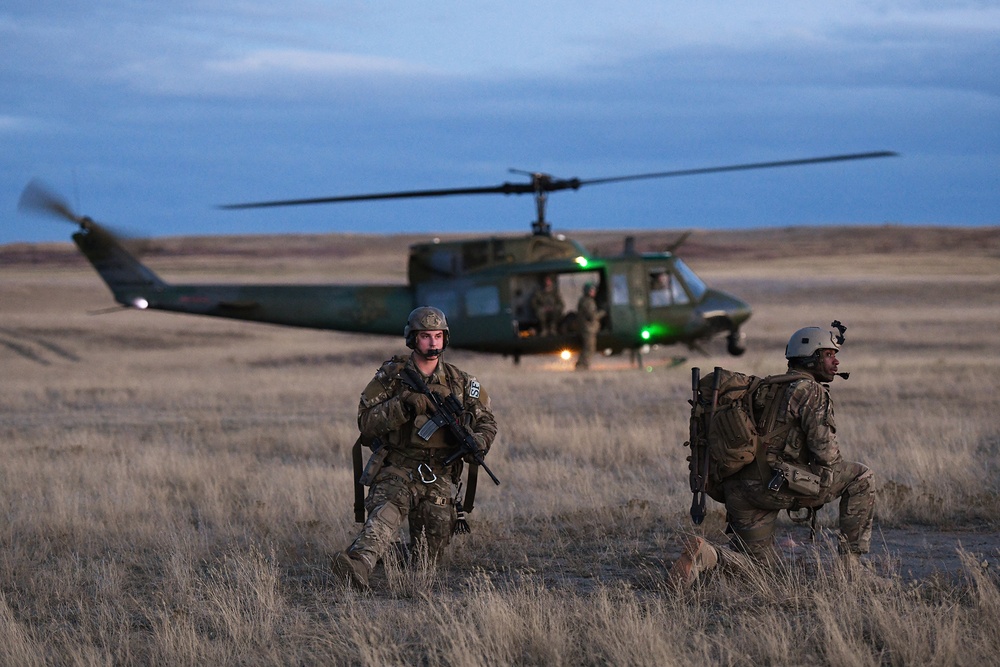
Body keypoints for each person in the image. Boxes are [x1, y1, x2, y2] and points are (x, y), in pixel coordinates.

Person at [669, 323, 876, 586]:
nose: (836, 362)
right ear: (811, 358)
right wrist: (816, 485)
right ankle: (852, 571)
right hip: (775, 485)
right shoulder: (810, 391)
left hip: (739, 488)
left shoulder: (764, 387)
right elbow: (827, 456)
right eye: (828, 355)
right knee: (861, 477)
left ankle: (708, 555)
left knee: (760, 571)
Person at [331, 306, 498, 589]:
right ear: (412, 339)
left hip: (439, 473)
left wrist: (478, 443)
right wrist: (402, 405)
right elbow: (365, 422)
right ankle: (359, 562)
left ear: (445, 338)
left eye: (437, 336)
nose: (432, 343)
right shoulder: (391, 377)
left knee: (425, 561)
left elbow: (487, 422)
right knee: (388, 508)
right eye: (424, 336)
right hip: (398, 465)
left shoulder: (461, 382)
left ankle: (387, 552)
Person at [575, 283, 605, 371]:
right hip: (588, 329)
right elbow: (592, 316)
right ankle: (583, 365)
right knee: (589, 348)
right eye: (592, 290)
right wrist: (603, 312)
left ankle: (582, 365)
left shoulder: (584, 300)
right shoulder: (588, 302)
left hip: (586, 328)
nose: (594, 292)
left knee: (587, 347)